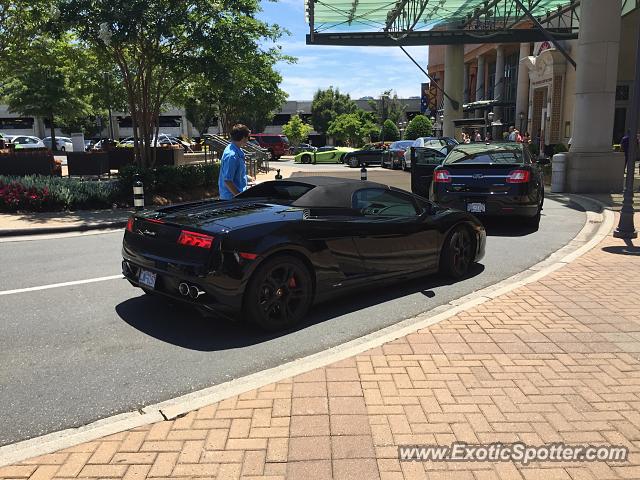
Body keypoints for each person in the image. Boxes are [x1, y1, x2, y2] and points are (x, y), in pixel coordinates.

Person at [218, 124, 254, 200]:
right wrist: (240, 197)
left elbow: (234, 172)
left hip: (236, 197)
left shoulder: (237, 150)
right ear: (243, 138)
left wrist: (246, 177)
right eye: (248, 137)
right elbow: (228, 181)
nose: (248, 140)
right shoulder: (232, 156)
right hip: (231, 200)